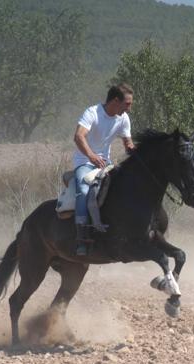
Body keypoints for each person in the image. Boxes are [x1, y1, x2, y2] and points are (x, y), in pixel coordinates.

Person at [73, 83, 135, 256]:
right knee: (84, 190)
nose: (129, 109)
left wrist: (136, 151)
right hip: (84, 162)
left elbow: (127, 143)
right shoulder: (92, 113)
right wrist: (92, 156)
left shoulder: (123, 119)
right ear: (116, 101)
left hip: (105, 164)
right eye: (127, 104)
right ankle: (81, 239)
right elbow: (78, 136)